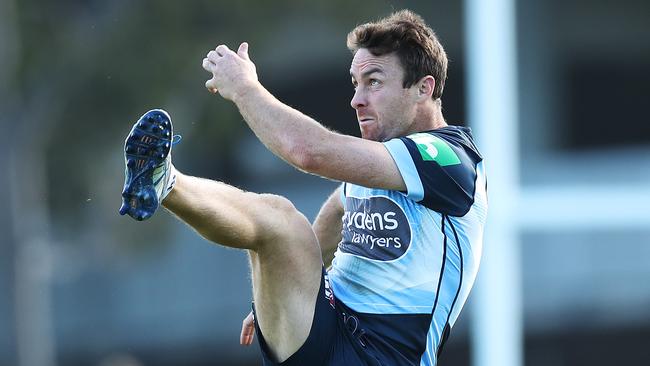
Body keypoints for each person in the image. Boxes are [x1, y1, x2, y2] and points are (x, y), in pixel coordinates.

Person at [119, 9, 487, 366]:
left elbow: (309, 152)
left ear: (424, 88)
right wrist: (291, 281)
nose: (357, 99)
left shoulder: (449, 159)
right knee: (278, 218)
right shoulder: (386, 160)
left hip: (380, 357)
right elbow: (339, 206)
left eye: (373, 81)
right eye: (355, 83)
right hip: (326, 326)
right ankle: (164, 181)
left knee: (282, 216)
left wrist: (245, 88)